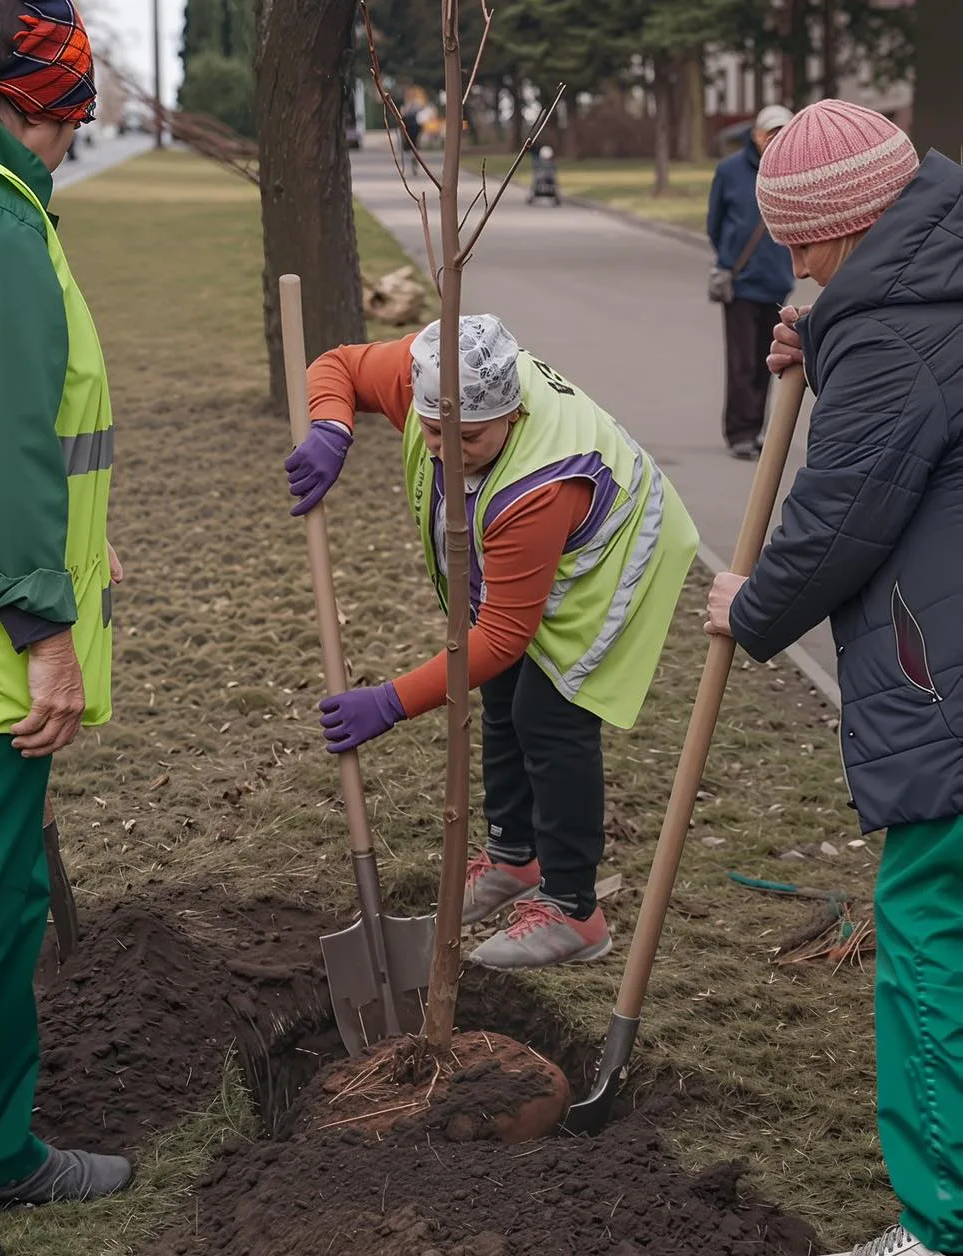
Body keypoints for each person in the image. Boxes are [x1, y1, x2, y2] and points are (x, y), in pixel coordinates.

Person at [704, 99, 963, 1256]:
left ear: (852, 224)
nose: (792, 263)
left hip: (945, 682)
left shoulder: (891, 327)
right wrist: (834, 326)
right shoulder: (925, 278)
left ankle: (939, 1220)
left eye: (804, 241)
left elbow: (840, 518)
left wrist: (747, 603)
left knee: (925, 927)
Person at [286, 316, 699, 970]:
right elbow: (336, 364)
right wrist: (332, 429)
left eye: (470, 437)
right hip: (536, 551)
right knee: (506, 696)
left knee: (551, 711)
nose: (447, 447)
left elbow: (503, 637)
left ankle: (574, 912)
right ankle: (514, 860)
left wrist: (390, 703)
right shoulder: (436, 376)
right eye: (433, 431)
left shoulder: (538, 483)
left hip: (616, 551)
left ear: (512, 414)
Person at [0, 0, 131, 1212]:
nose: (70, 142)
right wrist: (47, 629)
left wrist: (91, 553)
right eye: (68, 121)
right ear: (25, 103)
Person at [707, 104, 794, 459]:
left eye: (783, 133)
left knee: (766, 361)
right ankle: (739, 431)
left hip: (776, 281)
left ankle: (757, 429)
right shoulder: (730, 171)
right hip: (740, 282)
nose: (776, 139)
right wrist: (728, 256)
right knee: (741, 362)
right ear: (757, 135)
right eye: (771, 132)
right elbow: (715, 223)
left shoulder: (793, 171)